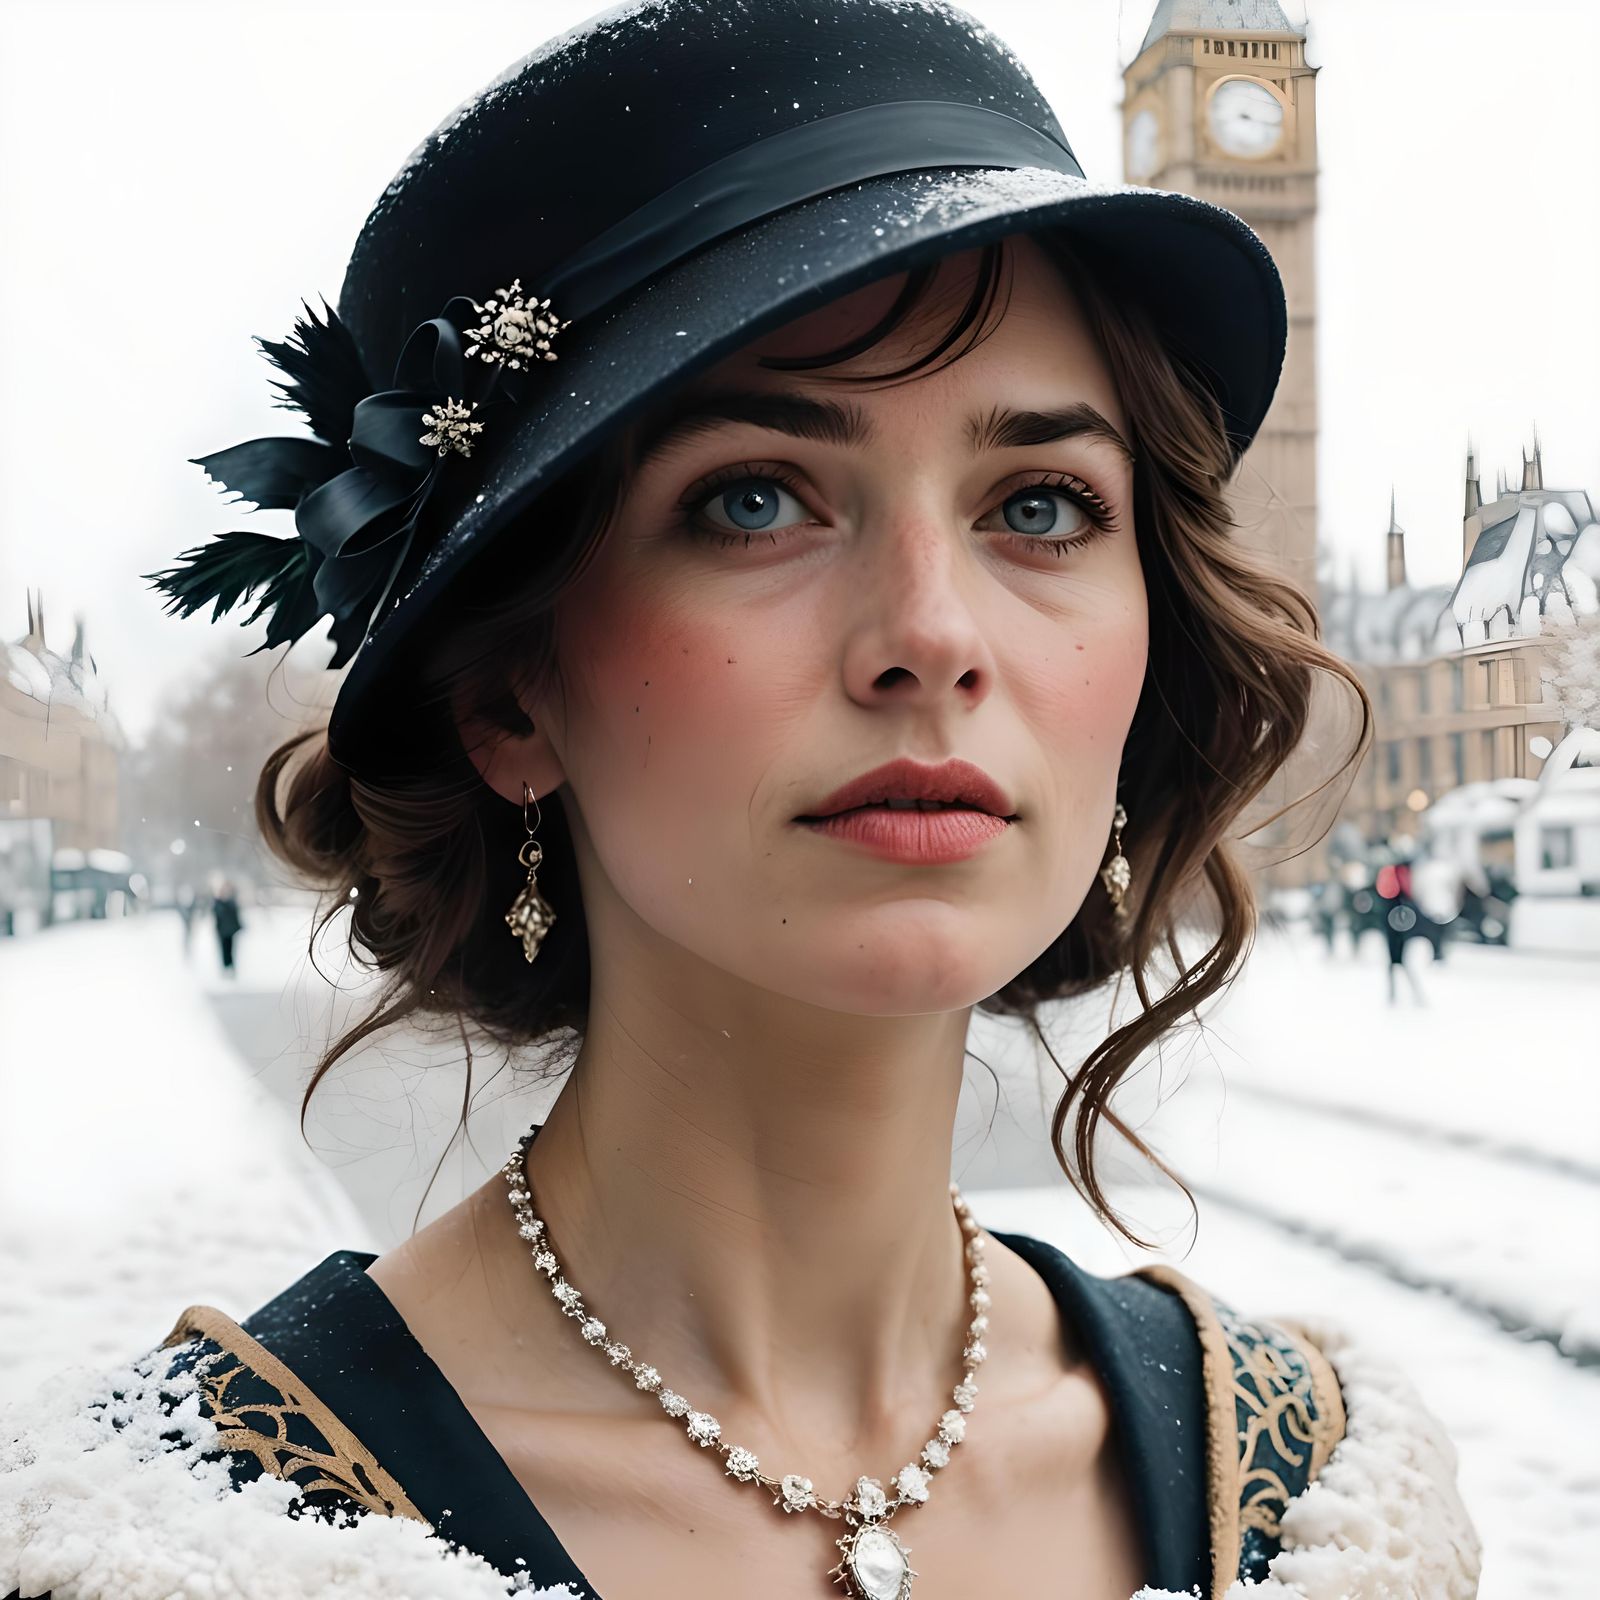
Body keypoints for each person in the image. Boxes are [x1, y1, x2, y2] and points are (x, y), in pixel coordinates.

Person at [4, 4, 1481, 1597]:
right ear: (511, 694)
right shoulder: (180, 1547)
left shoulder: (1324, 1499)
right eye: (754, 500)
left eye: (1041, 505)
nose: (933, 635)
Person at [210, 878, 243, 976]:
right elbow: (216, 913)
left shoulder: (231, 902)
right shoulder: (218, 903)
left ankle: (231, 968)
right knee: (224, 950)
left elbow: (235, 915)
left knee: (231, 950)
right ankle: (225, 968)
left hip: (230, 931)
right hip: (221, 932)